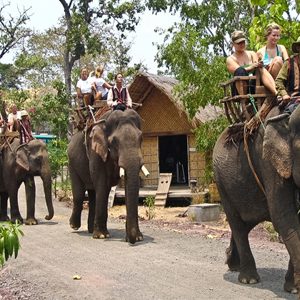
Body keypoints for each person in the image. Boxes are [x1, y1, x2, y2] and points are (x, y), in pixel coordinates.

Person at [226, 30, 277, 96]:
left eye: (243, 42)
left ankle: (275, 92)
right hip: (240, 88)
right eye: (239, 43)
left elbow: (256, 66)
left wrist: (258, 64)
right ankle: (244, 98)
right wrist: (251, 67)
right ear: (233, 44)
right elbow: (238, 71)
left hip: (254, 84)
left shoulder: (252, 54)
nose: (242, 44)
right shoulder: (230, 59)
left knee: (260, 68)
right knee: (240, 71)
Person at [275, 36, 300, 113]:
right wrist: (284, 94)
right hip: (293, 97)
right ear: (298, 48)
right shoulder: (289, 62)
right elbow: (279, 80)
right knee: (289, 113)